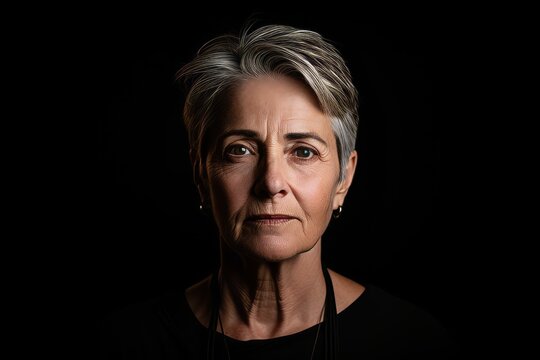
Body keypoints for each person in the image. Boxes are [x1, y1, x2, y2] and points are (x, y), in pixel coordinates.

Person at [99, 23, 456, 359]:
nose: (270, 183)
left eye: (303, 151)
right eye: (239, 150)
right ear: (201, 174)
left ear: (343, 179)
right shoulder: (128, 343)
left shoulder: (410, 342)